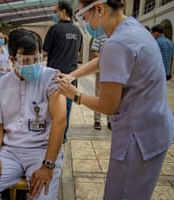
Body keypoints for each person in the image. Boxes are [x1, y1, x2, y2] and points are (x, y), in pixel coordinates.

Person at [56, 0, 174, 199]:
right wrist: (72, 76)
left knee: (122, 194)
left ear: (99, 8)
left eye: (84, 17)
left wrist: (74, 95)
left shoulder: (117, 43)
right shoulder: (133, 28)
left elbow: (108, 106)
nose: (85, 24)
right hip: (155, 127)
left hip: (138, 139)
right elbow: (103, 59)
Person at [0, 28, 66, 200]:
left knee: (43, 198)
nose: (33, 65)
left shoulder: (51, 79)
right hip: (11, 152)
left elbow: (60, 121)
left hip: (42, 151)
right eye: (26, 60)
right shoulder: (0, 86)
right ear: (12, 59)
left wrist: (48, 166)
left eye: (36, 59)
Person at [43, 0, 82, 142]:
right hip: (71, 76)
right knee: (67, 107)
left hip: (55, 76)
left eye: (56, 11)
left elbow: (45, 51)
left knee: (53, 108)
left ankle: (52, 134)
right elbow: (77, 53)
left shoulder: (54, 29)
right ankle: (62, 135)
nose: (55, 15)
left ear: (63, 11)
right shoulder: (78, 31)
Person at [90, 34, 111, 130]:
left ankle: (110, 120)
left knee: (112, 94)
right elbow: (94, 51)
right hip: (102, 69)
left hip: (114, 70)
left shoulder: (117, 35)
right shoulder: (99, 35)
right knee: (99, 94)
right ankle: (97, 120)